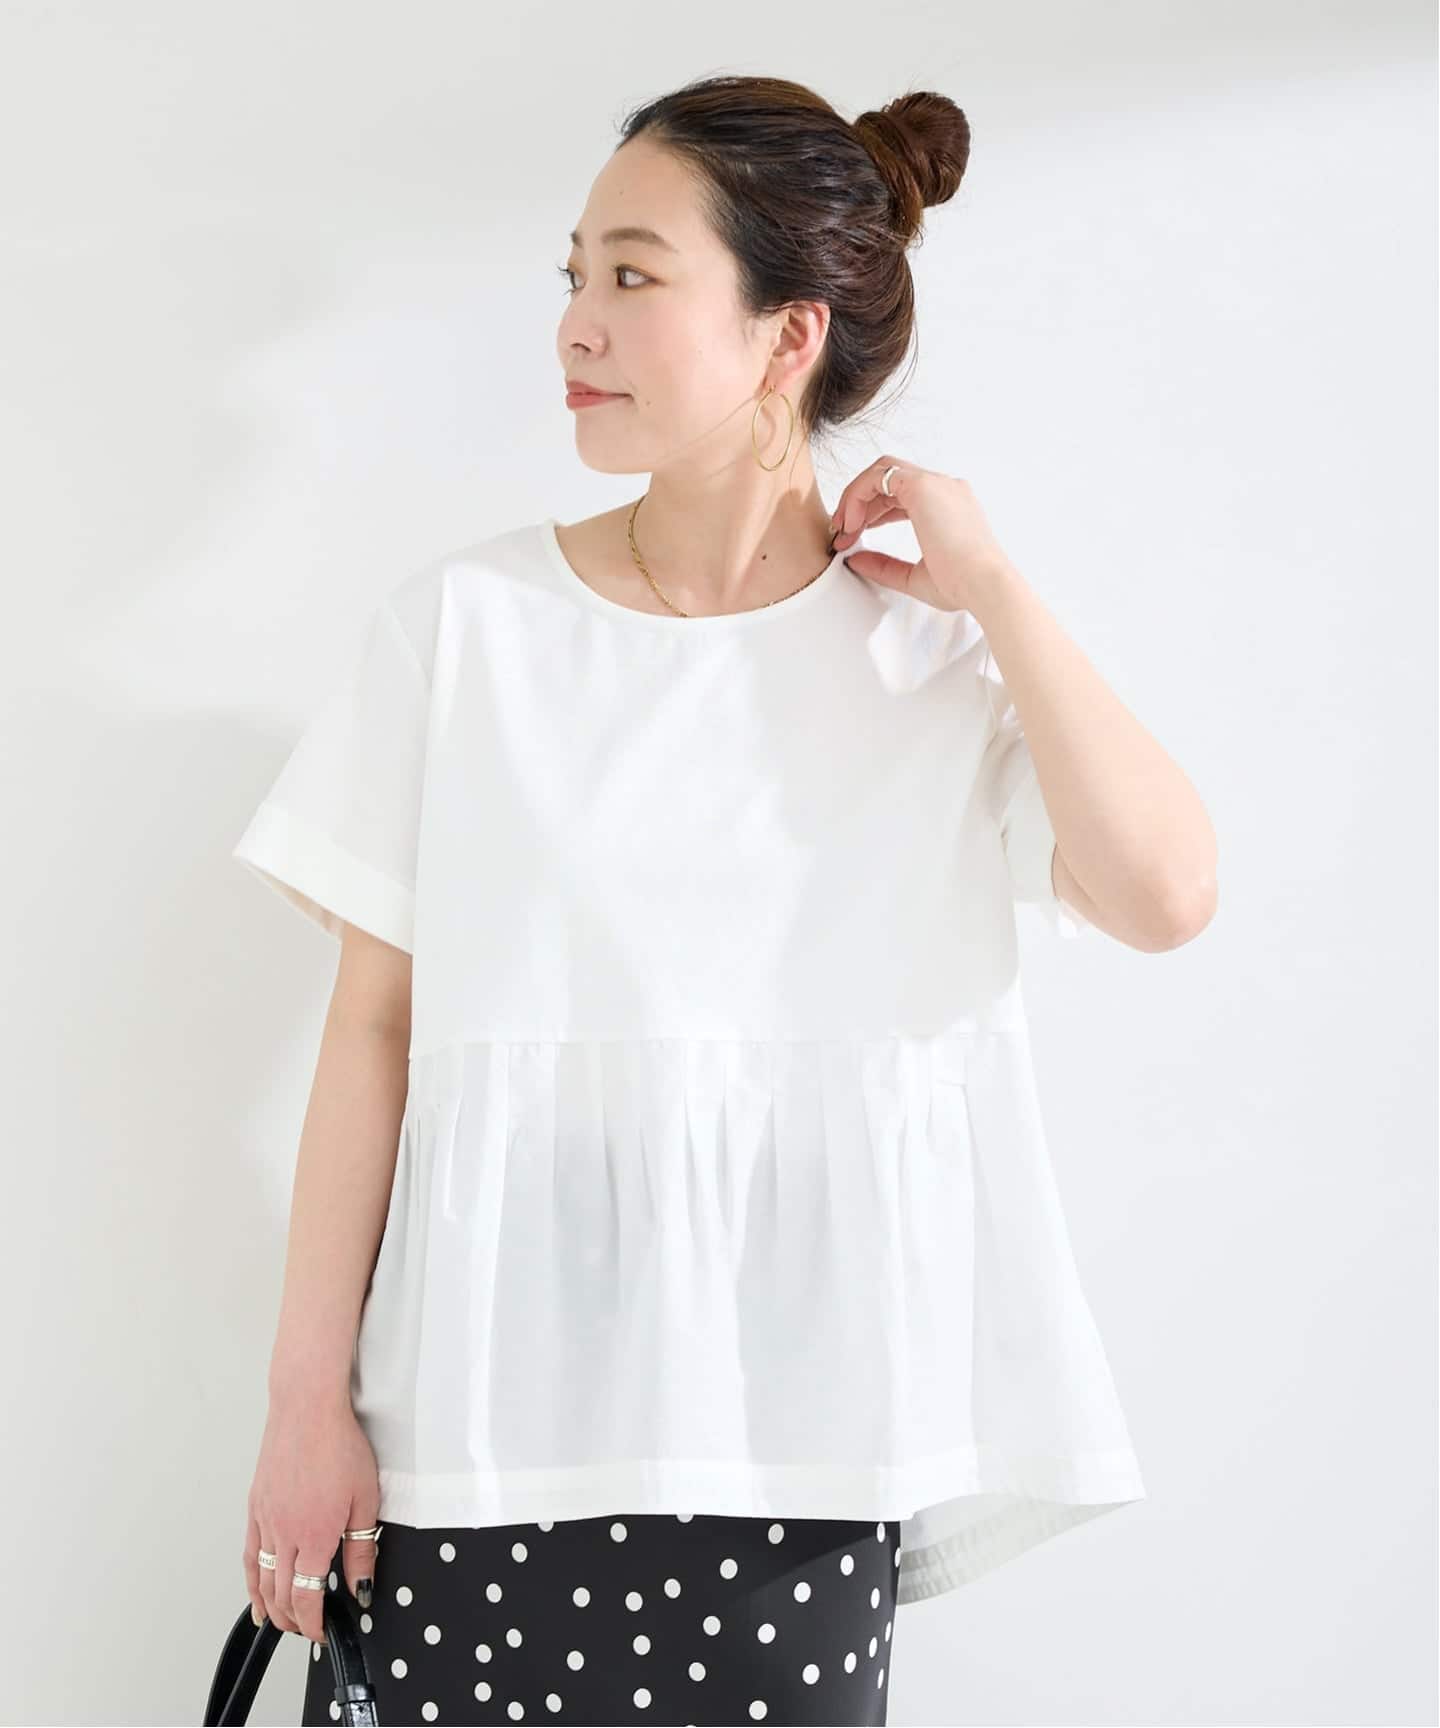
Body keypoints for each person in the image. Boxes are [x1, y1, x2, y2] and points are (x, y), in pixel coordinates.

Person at [231, 73, 1216, 1728]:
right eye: (574, 275)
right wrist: (300, 1405)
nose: (576, 323)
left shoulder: (929, 660)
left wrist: (994, 587)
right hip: (462, 1453)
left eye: (633, 274)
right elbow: (374, 1031)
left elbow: (1168, 893)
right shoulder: (467, 630)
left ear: (787, 335)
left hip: (799, 1476)